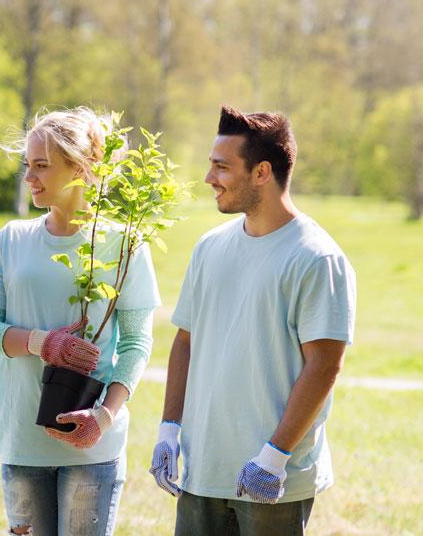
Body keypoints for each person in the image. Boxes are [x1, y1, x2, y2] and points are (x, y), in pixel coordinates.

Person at [150, 107, 355, 535]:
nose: (209, 178)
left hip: (272, 477)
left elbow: (324, 366)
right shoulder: (209, 248)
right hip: (203, 470)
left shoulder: (316, 258)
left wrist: (274, 456)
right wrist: (170, 427)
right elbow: (186, 342)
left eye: (221, 167)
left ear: (262, 172)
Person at [0, 108, 160, 535]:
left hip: (92, 445)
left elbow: (135, 343)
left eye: (42, 166)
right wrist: (40, 342)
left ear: (80, 167)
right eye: (27, 165)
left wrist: (105, 417)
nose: (29, 177)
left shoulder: (123, 243)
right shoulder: (11, 241)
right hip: (21, 439)